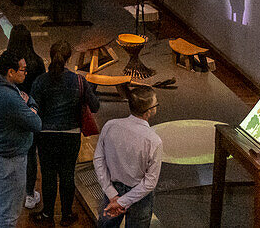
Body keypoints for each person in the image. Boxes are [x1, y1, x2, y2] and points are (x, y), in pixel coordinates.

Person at [30, 40, 99, 226]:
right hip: (71, 134)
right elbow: (95, 106)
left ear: (51, 56)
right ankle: (67, 215)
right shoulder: (78, 80)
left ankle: (47, 215)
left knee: (49, 175)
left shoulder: (40, 81)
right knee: (68, 174)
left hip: (45, 134)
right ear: (69, 58)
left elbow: (33, 109)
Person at [0, 51, 42, 228]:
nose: (26, 73)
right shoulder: (9, 96)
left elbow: (25, 97)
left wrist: (26, 101)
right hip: (11, 160)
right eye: (23, 70)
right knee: (9, 213)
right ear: (10, 72)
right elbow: (36, 123)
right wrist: (31, 107)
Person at [93, 85, 162, 228]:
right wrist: (122, 202)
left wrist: (112, 194)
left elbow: (99, 160)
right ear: (149, 111)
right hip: (139, 197)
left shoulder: (110, 126)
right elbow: (150, 182)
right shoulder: (153, 140)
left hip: (112, 189)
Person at [7, 24, 47, 210]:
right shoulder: (37, 62)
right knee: (31, 154)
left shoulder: (6, 62)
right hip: (32, 112)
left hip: (11, 111)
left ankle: (12, 190)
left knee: (11, 151)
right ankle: (30, 194)